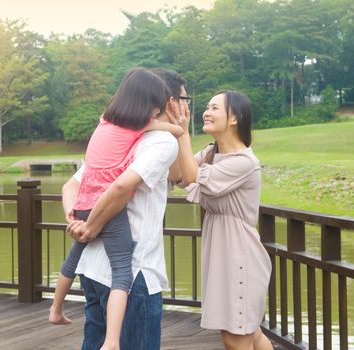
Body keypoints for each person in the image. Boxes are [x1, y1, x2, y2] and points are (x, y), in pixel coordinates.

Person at [48, 68, 183, 350]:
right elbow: (121, 187)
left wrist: (76, 217)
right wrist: (91, 226)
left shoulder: (111, 135)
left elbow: (70, 187)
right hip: (134, 275)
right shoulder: (160, 141)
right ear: (167, 102)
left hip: (92, 269)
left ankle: (56, 309)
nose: (187, 105)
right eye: (184, 99)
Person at [176, 90, 273, 350]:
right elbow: (180, 175)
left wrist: (183, 133)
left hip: (239, 254)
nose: (206, 112)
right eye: (207, 107)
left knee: (235, 336)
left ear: (235, 118)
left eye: (215, 108)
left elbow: (193, 176)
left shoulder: (244, 161)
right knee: (250, 333)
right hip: (222, 250)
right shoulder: (210, 152)